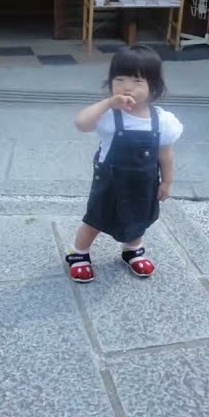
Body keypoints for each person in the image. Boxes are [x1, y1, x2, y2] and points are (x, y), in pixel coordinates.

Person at [66, 45, 184, 282]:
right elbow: (81, 123)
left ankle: (132, 250)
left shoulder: (162, 120)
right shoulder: (110, 116)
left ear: (153, 87)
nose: (127, 86)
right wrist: (107, 103)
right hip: (110, 182)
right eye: (119, 79)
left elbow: (166, 154)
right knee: (96, 218)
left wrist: (167, 182)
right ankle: (79, 253)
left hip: (143, 184)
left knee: (139, 219)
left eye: (137, 80)